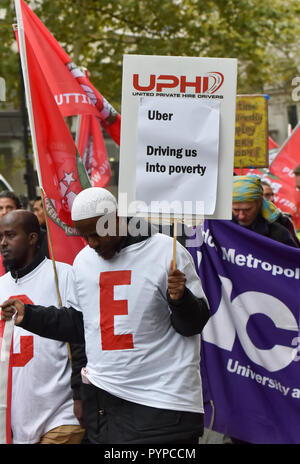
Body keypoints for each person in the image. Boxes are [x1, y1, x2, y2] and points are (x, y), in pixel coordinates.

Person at [1, 187, 210, 444]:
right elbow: (80, 325)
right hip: (105, 402)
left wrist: (180, 301)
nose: (92, 243)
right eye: (85, 235)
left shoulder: (167, 252)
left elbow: (194, 324)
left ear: (117, 218)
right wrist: (30, 315)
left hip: (163, 402)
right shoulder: (84, 261)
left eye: (98, 232)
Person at [0, 210, 85, 444]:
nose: (3, 243)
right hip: (16, 413)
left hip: (62, 412)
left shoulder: (64, 276)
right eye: (0, 237)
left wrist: (80, 396)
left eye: (10, 235)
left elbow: (79, 339)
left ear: (32, 238)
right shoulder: (0, 286)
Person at [232, 175, 299, 248]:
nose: (241, 216)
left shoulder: (279, 234)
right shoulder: (221, 227)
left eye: (247, 209)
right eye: (236, 210)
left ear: (260, 201)